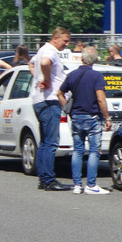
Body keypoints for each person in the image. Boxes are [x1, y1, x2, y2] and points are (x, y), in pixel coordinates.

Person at [57, 46, 112, 194]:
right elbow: (100, 99)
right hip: (92, 117)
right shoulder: (97, 76)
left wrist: (67, 110)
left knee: (78, 151)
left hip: (76, 117)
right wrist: (107, 117)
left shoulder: (73, 75)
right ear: (95, 60)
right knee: (94, 151)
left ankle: (76, 185)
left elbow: (60, 93)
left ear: (82, 59)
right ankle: (91, 185)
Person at [32, 28, 72, 191]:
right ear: (56, 38)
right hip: (50, 100)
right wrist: (47, 81)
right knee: (51, 142)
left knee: (44, 142)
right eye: (65, 41)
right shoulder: (51, 51)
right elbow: (44, 63)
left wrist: (39, 78)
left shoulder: (42, 49)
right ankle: (48, 180)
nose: (67, 44)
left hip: (39, 100)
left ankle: (43, 178)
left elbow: (31, 63)